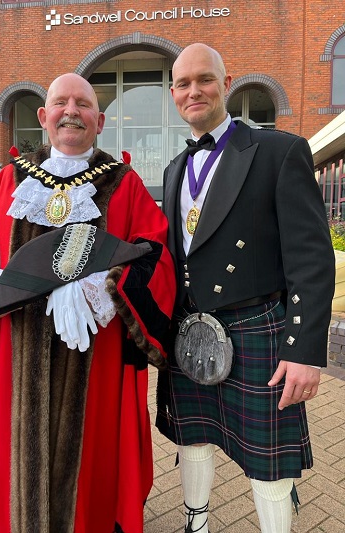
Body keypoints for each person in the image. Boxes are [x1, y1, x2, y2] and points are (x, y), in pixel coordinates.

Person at [0, 73, 176, 533]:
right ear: (43, 116)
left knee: (92, 466)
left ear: (100, 120)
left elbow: (155, 253)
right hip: (18, 354)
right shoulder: (10, 179)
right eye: (61, 102)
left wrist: (103, 288)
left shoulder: (123, 182)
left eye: (83, 104)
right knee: (18, 463)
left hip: (98, 356)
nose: (71, 111)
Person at [155, 43, 335, 533]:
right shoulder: (173, 169)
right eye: (183, 83)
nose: (194, 91)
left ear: (226, 84)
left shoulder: (279, 151)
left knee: (268, 460)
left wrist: (304, 351)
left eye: (204, 80)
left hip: (259, 329)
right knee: (191, 438)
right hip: (190, 331)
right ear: (173, 94)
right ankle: (196, 523)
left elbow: (311, 258)